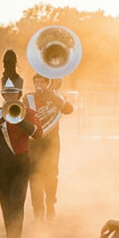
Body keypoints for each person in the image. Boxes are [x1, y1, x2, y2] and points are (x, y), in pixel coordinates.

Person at [0, 50, 42, 238]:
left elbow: (38, 134)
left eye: (13, 94)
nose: (10, 97)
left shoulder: (28, 113)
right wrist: (0, 122)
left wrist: (21, 121)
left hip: (22, 162)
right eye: (7, 94)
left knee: (17, 202)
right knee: (5, 203)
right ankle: (10, 237)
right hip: (2, 163)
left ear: (19, 95)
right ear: (3, 95)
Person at [26, 73, 74, 221]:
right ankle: (38, 211)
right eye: (36, 82)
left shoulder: (56, 96)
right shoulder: (28, 98)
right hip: (33, 141)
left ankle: (50, 203)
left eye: (42, 81)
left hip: (51, 141)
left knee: (51, 174)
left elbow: (68, 109)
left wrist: (50, 94)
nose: (39, 84)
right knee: (34, 176)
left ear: (48, 83)